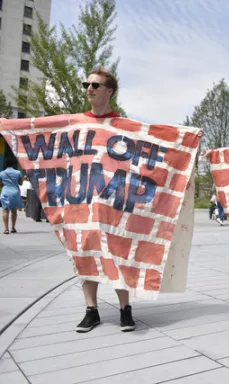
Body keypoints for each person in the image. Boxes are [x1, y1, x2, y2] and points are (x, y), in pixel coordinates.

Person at [75, 67, 136, 333]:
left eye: (95, 85)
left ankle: (125, 309)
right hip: (83, 201)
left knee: (118, 253)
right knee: (85, 253)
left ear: (108, 91)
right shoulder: (76, 123)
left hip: (114, 202)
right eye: (86, 84)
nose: (89, 88)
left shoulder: (123, 125)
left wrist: (188, 138)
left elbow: (153, 143)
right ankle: (92, 311)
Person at [0, 159, 25, 234]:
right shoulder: (18, 172)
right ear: (13, 165)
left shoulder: (1, 173)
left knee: (5, 211)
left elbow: (0, 184)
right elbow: (21, 183)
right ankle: (13, 228)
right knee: (14, 211)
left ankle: (6, 229)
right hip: (15, 193)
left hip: (5, 192)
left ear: (5, 165)